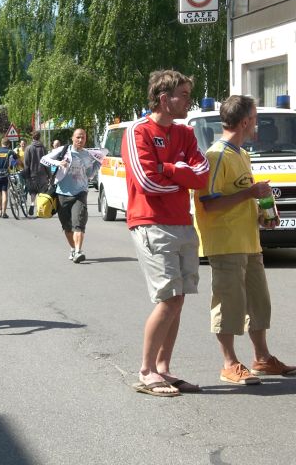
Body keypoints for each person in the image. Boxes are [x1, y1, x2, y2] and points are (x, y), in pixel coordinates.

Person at [194, 95, 296, 385]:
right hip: (226, 243)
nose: (257, 125)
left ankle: (262, 358)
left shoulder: (242, 154)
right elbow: (209, 203)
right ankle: (229, 363)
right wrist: (250, 193)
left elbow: (241, 197)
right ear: (244, 122)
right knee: (229, 304)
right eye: (255, 118)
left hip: (249, 241)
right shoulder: (216, 156)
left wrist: (263, 214)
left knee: (258, 303)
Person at [121, 70, 210, 397]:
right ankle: (146, 371)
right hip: (151, 223)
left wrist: (168, 168)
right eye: (183, 95)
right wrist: (181, 176)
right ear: (163, 99)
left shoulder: (185, 133)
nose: (189, 101)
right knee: (169, 298)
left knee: (178, 298)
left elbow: (202, 175)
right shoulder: (138, 131)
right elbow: (146, 182)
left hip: (182, 223)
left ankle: (163, 368)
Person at [41, 129, 107, 262]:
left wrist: (98, 163)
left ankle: (78, 251)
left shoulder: (88, 155)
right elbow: (44, 159)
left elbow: (89, 174)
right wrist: (58, 163)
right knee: (67, 227)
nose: (80, 140)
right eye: (78, 137)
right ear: (72, 138)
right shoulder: (64, 150)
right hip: (62, 193)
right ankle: (73, 248)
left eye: (83, 138)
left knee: (79, 223)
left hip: (80, 193)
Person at [24, 131, 50, 216]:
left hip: (32, 174)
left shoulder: (28, 148)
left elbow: (26, 163)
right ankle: (40, 210)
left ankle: (32, 204)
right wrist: (49, 174)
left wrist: (26, 175)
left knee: (33, 191)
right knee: (42, 192)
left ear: (32, 137)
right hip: (43, 174)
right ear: (39, 137)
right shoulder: (44, 148)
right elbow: (47, 162)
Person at [0, 138, 17, 218]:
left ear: (1, 143)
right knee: (4, 193)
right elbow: (16, 160)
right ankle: (4, 212)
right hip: (5, 175)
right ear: (9, 144)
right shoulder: (10, 152)